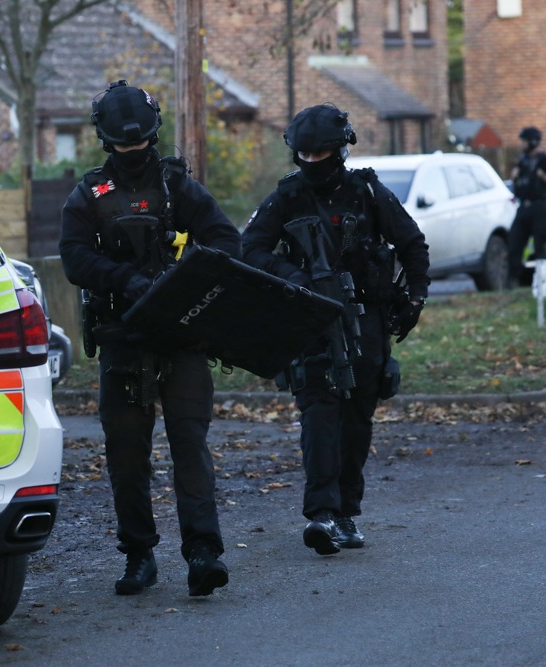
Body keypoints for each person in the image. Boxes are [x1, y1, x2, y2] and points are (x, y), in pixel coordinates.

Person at [59, 81, 241, 597]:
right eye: (125, 143)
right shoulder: (90, 194)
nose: (133, 149)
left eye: (138, 142)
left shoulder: (178, 186)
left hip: (180, 334)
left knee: (190, 444)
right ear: (107, 140)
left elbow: (226, 240)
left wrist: (184, 280)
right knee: (126, 453)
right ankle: (139, 555)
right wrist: (123, 279)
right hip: (122, 335)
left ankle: (203, 552)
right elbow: (74, 257)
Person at [240, 104, 430, 555]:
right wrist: (295, 277)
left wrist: (415, 298)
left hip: (365, 319)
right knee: (319, 416)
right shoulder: (287, 196)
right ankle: (322, 514)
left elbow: (412, 243)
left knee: (357, 419)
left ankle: (345, 512)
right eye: (304, 155)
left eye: (319, 154)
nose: (311, 163)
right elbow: (250, 249)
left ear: (340, 150)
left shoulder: (367, 192)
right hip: (309, 319)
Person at [507, 126, 546, 287]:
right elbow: (517, 183)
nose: (522, 144)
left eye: (524, 141)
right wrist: (514, 177)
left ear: (533, 141)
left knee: (539, 245)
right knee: (514, 244)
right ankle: (514, 281)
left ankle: (541, 282)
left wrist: (543, 176)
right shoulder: (522, 160)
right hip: (523, 207)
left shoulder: (545, 160)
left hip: (539, 207)